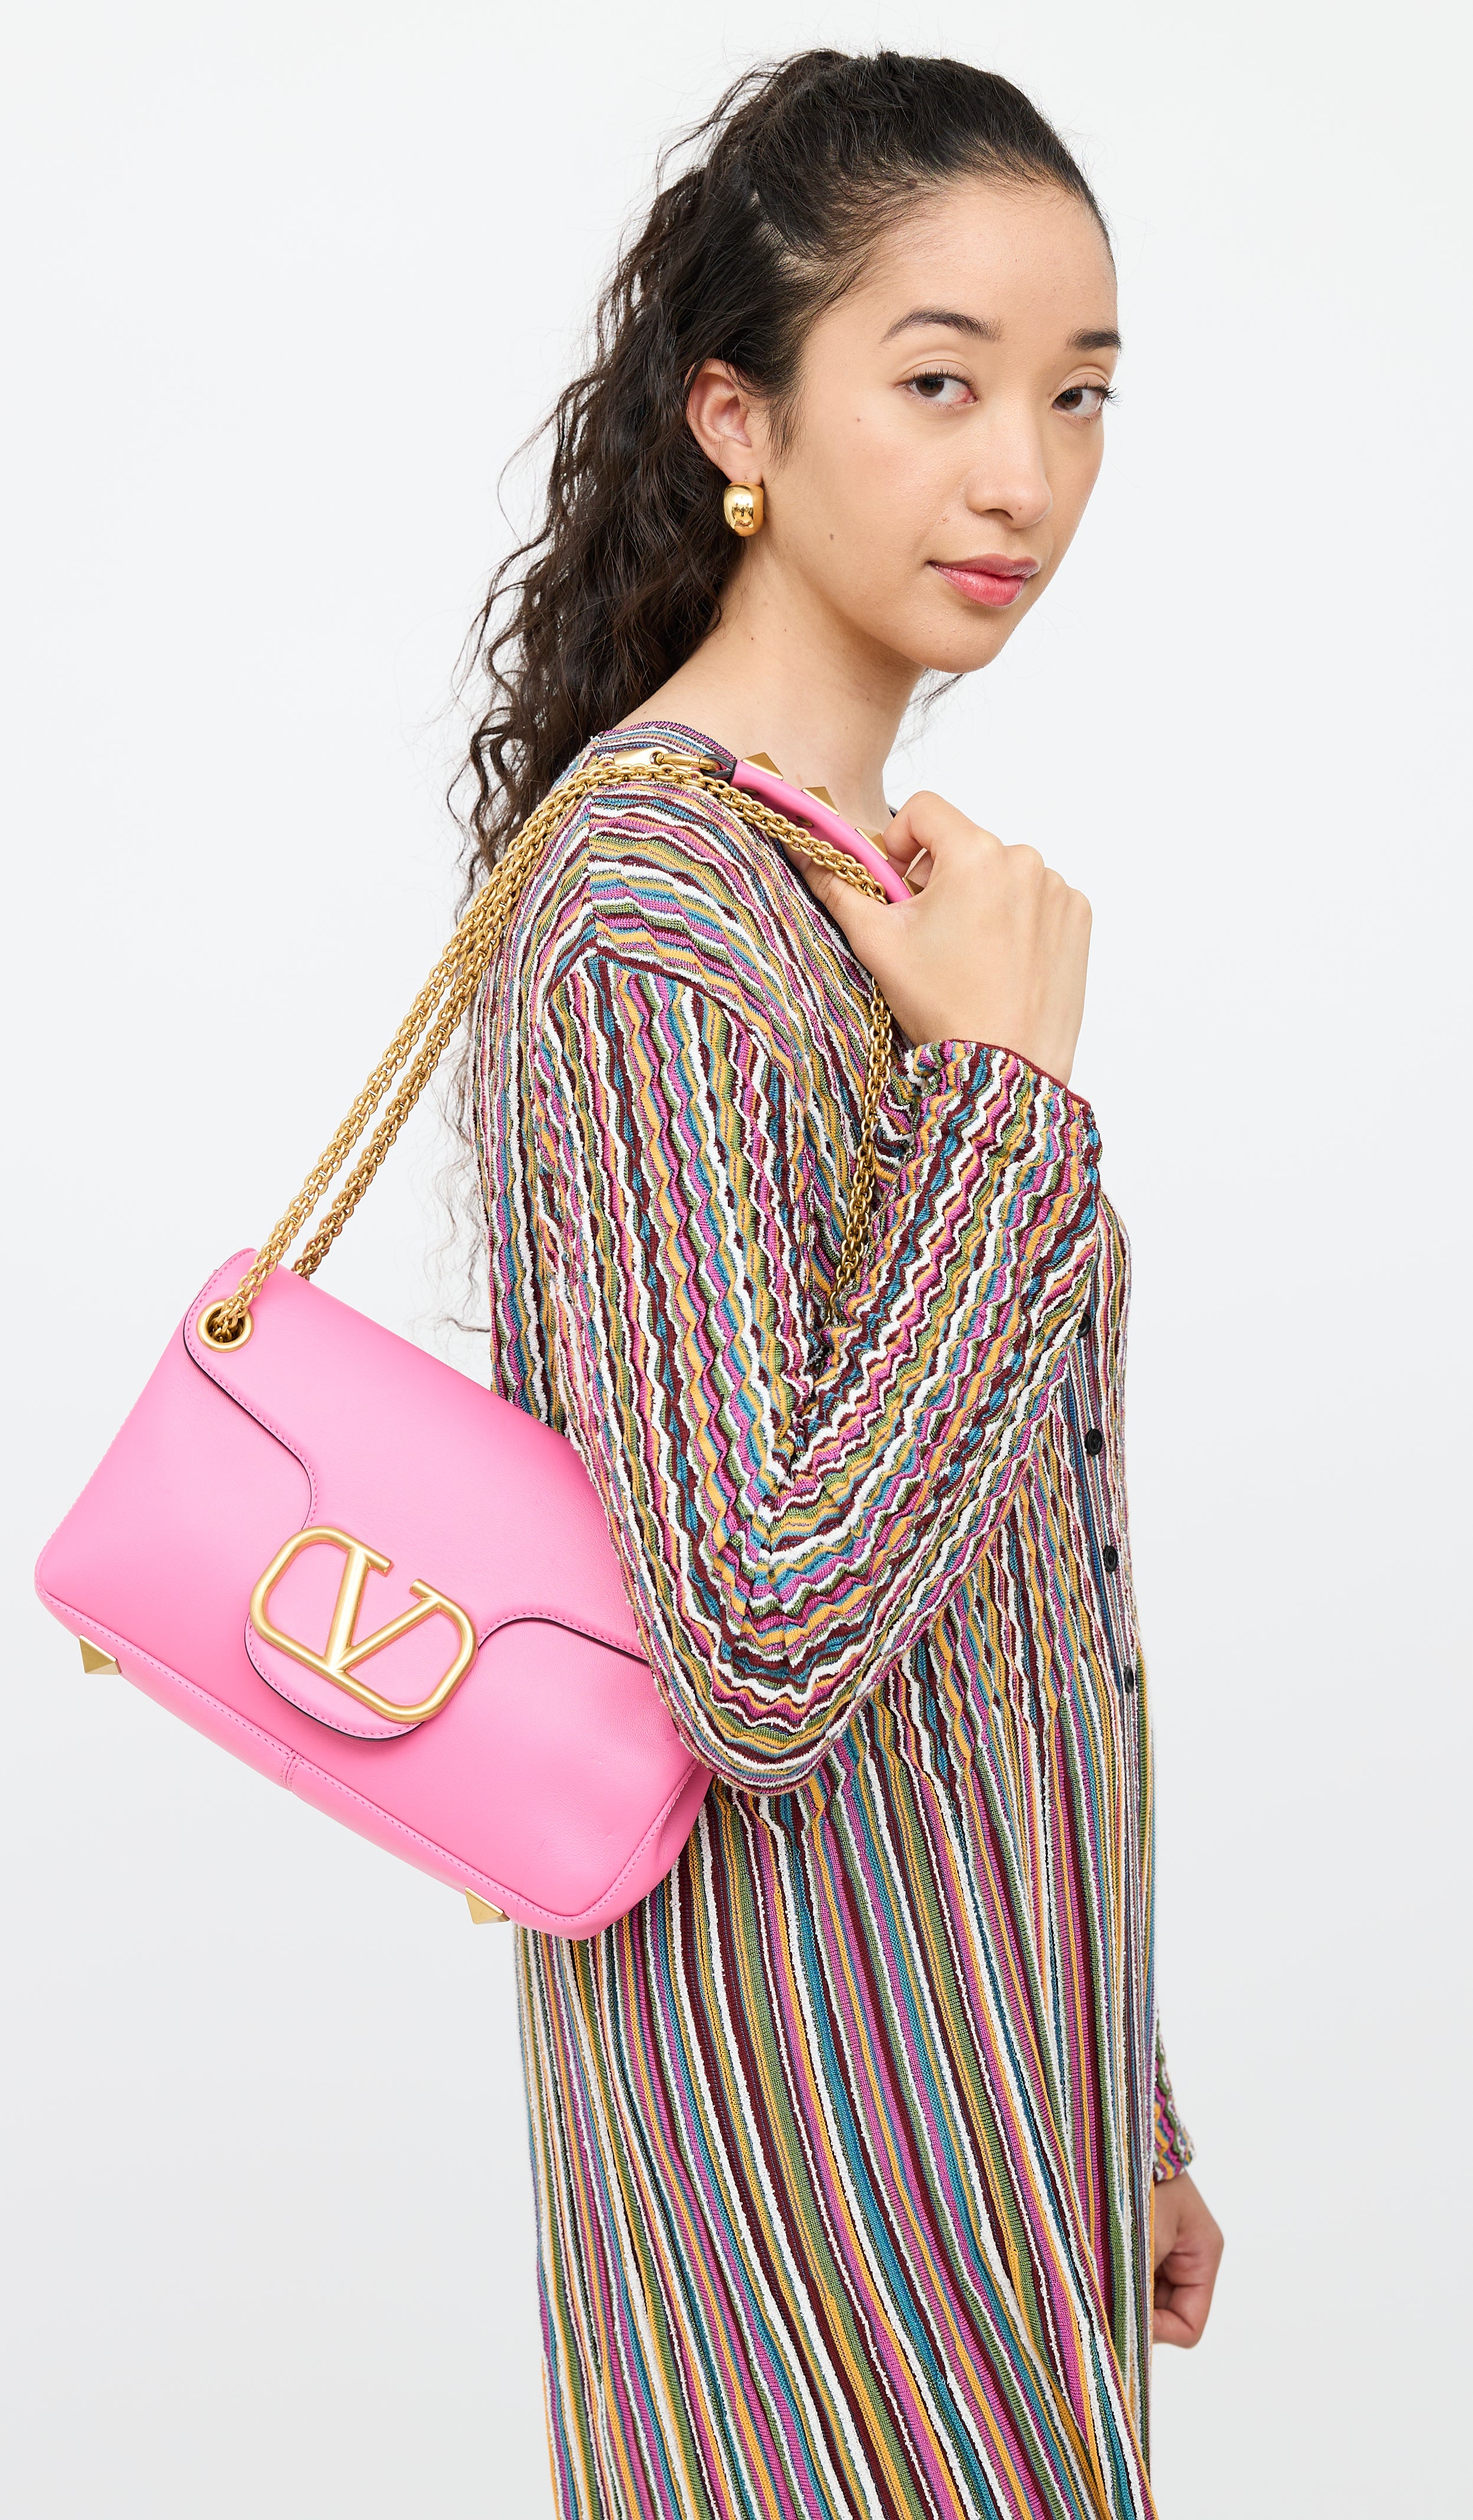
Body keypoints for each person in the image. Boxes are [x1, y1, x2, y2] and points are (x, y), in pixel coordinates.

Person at [463, 50, 1222, 2520]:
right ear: (737, 419)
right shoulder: (645, 914)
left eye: (1076, 396)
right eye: (938, 383)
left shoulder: (870, 890)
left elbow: (1001, 1587)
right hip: (797, 2165)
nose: (1023, 478)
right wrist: (1001, 1098)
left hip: (985, 2106)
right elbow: (761, 1644)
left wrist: (1114, 2095)